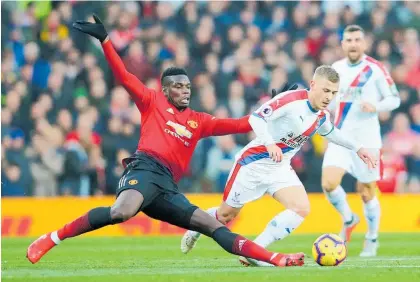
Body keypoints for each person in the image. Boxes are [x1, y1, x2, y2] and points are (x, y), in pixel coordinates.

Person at [26, 15, 304, 268]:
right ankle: (51, 238)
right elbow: (123, 77)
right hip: (144, 170)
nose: (185, 90)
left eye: (188, 86)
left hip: (167, 187)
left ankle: (275, 258)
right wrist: (106, 40)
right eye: (178, 86)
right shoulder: (151, 101)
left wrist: (274, 104)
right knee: (121, 212)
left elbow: (244, 123)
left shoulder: (199, 120)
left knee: (214, 225)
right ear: (165, 89)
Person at [181, 65, 377, 267]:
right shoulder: (291, 100)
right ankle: (196, 227)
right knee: (225, 215)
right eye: (326, 90)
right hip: (253, 164)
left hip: (280, 167)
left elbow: (332, 132)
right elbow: (256, 118)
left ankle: (255, 252)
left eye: (334, 93)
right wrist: (269, 142)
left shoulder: (321, 116)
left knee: (301, 208)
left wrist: (359, 148)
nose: (329, 97)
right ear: (313, 85)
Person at [321, 25, 400, 257]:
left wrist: (376, 106)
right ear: (343, 44)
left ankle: (372, 238)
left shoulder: (375, 69)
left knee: (366, 192)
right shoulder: (335, 69)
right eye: (349, 40)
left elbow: (394, 99)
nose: (353, 44)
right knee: (328, 183)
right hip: (341, 137)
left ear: (364, 43)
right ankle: (349, 218)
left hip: (367, 141)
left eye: (357, 39)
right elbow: (330, 101)